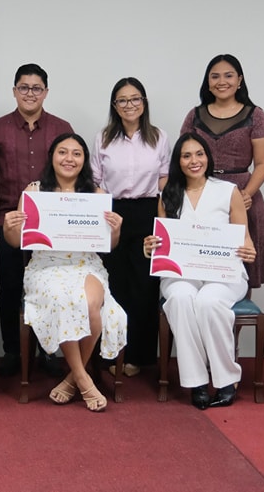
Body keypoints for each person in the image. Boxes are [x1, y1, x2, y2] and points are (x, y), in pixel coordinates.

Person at [3, 133, 128, 412]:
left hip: (86, 264)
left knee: (92, 304)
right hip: (46, 266)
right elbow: (16, 241)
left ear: (84, 160)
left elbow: (108, 245)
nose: (69, 158)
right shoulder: (34, 192)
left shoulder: (96, 195)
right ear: (52, 157)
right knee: (64, 299)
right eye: (62, 152)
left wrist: (116, 230)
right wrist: (9, 227)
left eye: (76, 153)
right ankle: (84, 379)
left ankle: (72, 377)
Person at [143, 133, 255, 409]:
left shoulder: (228, 191)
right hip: (181, 273)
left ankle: (227, 379)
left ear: (208, 157)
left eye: (199, 154)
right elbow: (161, 241)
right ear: (177, 161)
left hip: (223, 273)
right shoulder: (168, 194)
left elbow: (245, 239)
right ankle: (195, 382)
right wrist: (150, 246)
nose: (194, 161)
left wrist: (248, 251)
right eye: (186, 155)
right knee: (181, 298)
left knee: (208, 301)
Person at [0, 63, 73, 377]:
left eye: (36, 88)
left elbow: (74, 173)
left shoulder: (62, 128)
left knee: (48, 287)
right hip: (10, 224)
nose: (30, 93)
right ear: (14, 90)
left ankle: (48, 351)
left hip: (52, 226)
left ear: (45, 92)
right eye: (24, 87)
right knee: (11, 287)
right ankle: (12, 352)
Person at [91, 77, 170, 377]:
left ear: (144, 102)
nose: (129, 105)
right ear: (115, 105)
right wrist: (105, 207)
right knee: (115, 283)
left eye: (135, 99)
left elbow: (164, 179)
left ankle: (140, 356)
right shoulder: (103, 138)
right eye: (122, 100)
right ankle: (112, 355)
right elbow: (95, 180)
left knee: (144, 285)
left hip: (148, 210)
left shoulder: (159, 136)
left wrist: (163, 219)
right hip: (112, 212)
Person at [180, 54, 264, 290]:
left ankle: (231, 326)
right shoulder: (194, 115)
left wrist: (245, 196)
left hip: (243, 194)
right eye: (215, 76)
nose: (222, 81)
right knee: (196, 261)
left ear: (240, 80)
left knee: (241, 267)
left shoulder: (256, 115)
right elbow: (182, 154)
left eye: (229, 75)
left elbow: (263, 163)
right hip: (200, 192)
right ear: (207, 82)